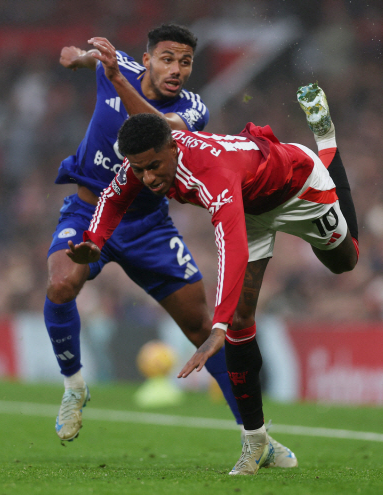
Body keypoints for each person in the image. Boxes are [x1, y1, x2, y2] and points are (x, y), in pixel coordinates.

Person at [68, 84, 359, 475]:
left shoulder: (212, 173)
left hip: (299, 187)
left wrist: (215, 326)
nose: (148, 177)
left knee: (345, 261)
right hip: (251, 206)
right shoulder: (143, 161)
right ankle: (255, 443)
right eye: (139, 169)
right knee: (242, 322)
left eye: (153, 166)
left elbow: (231, 246)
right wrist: (93, 240)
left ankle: (325, 137)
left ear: (173, 147)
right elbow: (113, 197)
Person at [48, 25, 297, 469]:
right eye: (167, 59)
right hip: (89, 212)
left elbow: (156, 128)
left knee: (202, 329)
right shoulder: (117, 67)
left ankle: (257, 438)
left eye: (185, 62)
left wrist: (116, 78)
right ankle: (74, 386)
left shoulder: (192, 108)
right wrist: (81, 57)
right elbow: (96, 61)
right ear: (146, 59)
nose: (176, 70)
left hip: (148, 228)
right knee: (62, 285)